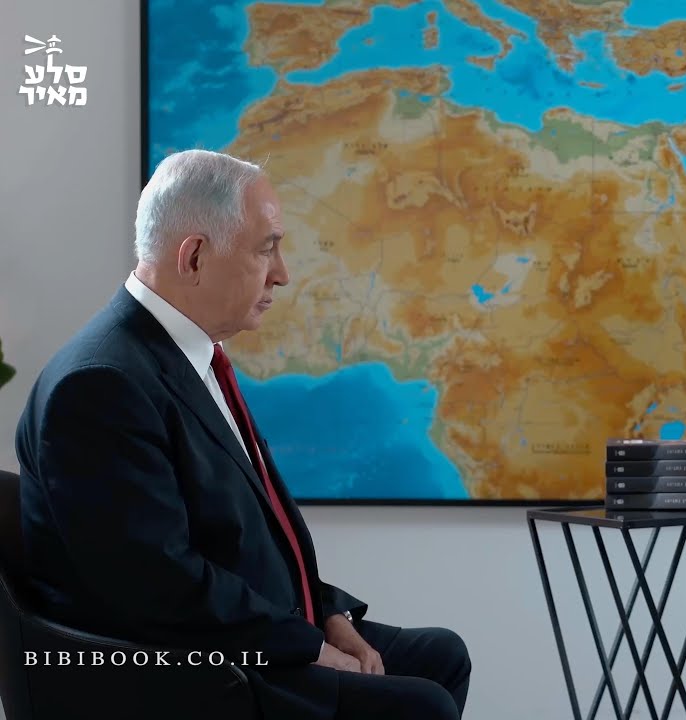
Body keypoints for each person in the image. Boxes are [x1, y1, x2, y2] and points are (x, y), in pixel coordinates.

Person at [15, 149, 471, 720]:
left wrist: (329, 613)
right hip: (183, 673)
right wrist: (307, 647)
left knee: (441, 657)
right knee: (420, 705)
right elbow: (156, 585)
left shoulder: (184, 356)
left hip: (241, 631)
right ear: (195, 257)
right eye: (266, 248)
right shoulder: (101, 385)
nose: (282, 273)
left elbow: (245, 537)